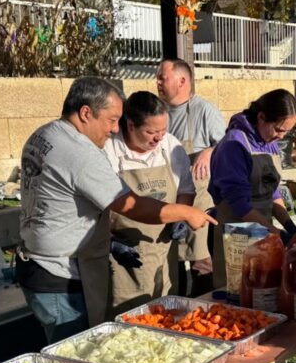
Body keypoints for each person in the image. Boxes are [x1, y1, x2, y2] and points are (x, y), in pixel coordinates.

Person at [18, 77, 215, 343]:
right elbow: (130, 205)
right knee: (77, 358)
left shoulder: (44, 134)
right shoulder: (80, 152)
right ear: (86, 113)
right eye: (112, 120)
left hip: (40, 265)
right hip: (62, 276)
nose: (114, 130)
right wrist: (186, 213)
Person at [209, 89, 296, 363]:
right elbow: (240, 206)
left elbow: (274, 190)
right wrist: (277, 234)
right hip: (237, 237)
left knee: (270, 307)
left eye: (286, 132)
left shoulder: (267, 142)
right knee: (238, 312)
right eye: (279, 129)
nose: (281, 137)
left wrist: (290, 223)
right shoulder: (232, 146)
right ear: (262, 118)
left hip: (265, 234)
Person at [103, 91, 196, 315]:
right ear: (130, 125)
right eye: (151, 132)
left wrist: (180, 217)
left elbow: (185, 189)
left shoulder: (170, 146)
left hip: (164, 250)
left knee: (166, 315)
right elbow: (98, 208)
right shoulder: (108, 151)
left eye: (163, 131)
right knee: (129, 323)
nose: (159, 138)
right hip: (123, 258)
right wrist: (110, 242)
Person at [157, 59, 226, 288]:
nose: (157, 82)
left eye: (162, 78)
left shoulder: (204, 110)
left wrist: (210, 150)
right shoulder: (159, 112)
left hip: (199, 202)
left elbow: (230, 147)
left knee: (202, 266)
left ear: (182, 80)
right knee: (168, 266)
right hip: (168, 199)